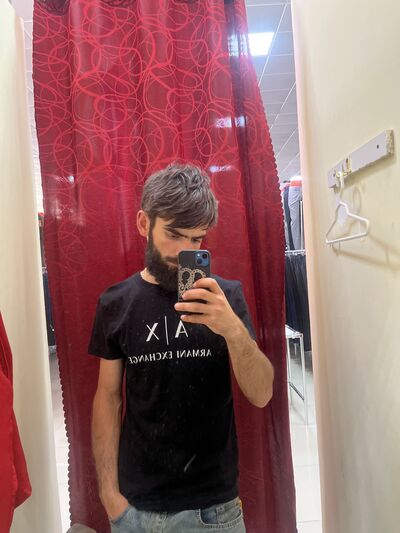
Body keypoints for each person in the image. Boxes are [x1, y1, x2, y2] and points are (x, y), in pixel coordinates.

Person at [89, 163, 274, 533]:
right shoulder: (115, 303)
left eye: (196, 239)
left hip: (212, 510)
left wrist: (232, 330)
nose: (184, 250)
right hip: (134, 508)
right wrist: (109, 494)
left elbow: (261, 394)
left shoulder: (226, 297)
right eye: (173, 234)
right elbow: (107, 397)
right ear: (144, 224)